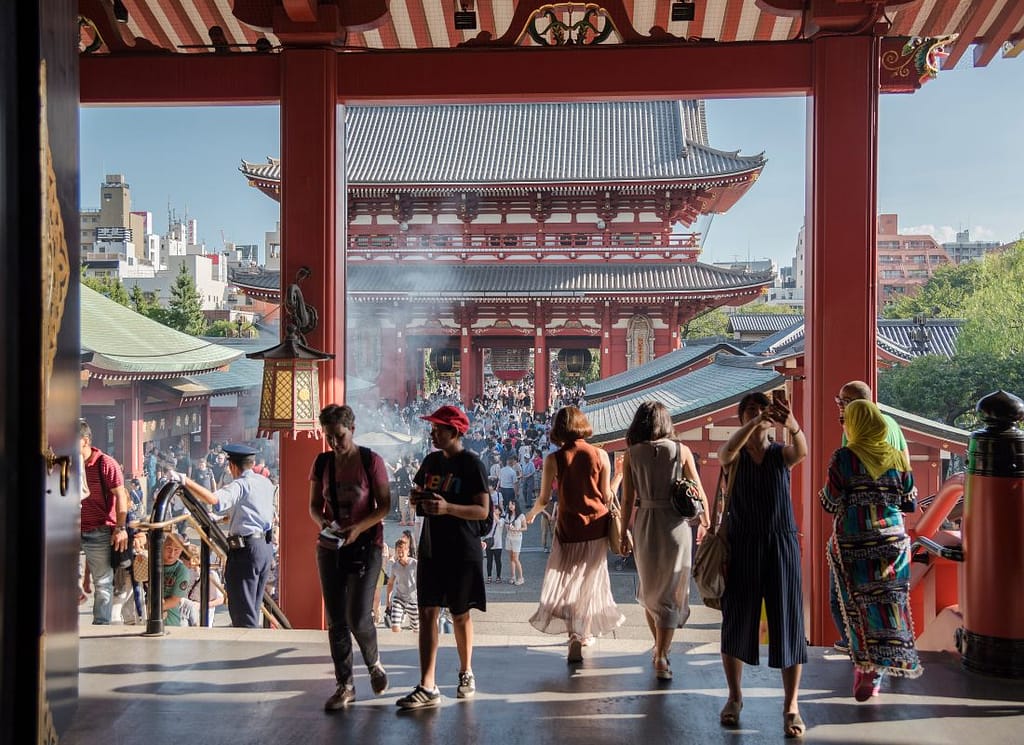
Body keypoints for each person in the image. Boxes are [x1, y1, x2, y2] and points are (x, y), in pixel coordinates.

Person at [716, 391, 807, 738]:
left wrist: (792, 424)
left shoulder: (779, 454)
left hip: (781, 543)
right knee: (736, 621)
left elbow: (801, 451)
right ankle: (735, 697)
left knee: (788, 623)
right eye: (750, 411)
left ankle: (791, 706)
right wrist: (755, 422)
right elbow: (726, 451)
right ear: (741, 418)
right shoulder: (735, 457)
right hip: (742, 544)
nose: (758, 415)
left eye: (762, 410)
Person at [820, 399, 922, 700]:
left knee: (858, 605)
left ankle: (864, 666)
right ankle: (883, 667)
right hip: (892, 544)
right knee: (890, 604)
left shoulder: (844, 458)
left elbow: (829, 502)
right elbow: (909, 500)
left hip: (855, 543)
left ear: (854, 424)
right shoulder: (896, 457)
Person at [396, 405, 489, 710]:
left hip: (462, 549)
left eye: (438, 429)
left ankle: (466, 671)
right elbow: (421, 492)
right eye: (432, 428)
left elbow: (483, 511)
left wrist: (449, 508)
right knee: (427, 613)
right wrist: (417, 498)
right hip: (432, 547)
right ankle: (427, 684)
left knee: (460, 613)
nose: (433, 433)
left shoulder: (472, 464)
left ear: (454, 431)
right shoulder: (431, 461)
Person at [307, 404, 391, 709]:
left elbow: (384, 505)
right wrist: (324, 523)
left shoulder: (370, 461)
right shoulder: (322, 463)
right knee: (336, 619)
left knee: (358, 615)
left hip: (367, 543)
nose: (334, 442)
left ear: (352, 430)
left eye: (339, 436)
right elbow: (314, 506)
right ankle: (345, 685)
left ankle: (374, 663)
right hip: (331, 545)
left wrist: (358, 528)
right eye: (328, 436)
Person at [619, 401, 711, 680]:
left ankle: (659, 649)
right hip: (675, 525)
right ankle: (661, 653)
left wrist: (623, 533)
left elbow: (627, 499)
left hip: (645, 523)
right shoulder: (681, 451)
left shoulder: (632, 454)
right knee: (670, 592)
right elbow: (698, 491)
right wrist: (706, 522)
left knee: (650, 590)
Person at [525, 406, 624, 663]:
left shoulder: (554, 459)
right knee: (590, 580)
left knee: (568, 580)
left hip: (569, 527)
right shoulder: (600, 455)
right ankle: (585, 633)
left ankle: (573, 636)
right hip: (596, 527)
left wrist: (532, 514)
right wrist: (619, 477)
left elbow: (544, 499)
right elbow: (606, 496)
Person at [831, 379, 912, 655]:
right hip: (892, 532)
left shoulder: (852, 438)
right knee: (889, 598)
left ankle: (859, 648)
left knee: (846, 597)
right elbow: (907, 480)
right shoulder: (893, 425)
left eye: (842, 402)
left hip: (859, 533)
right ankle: (891, 651)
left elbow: (836, 495)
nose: (840, 407)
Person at [168, 443, 276, 628]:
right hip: (264, 548)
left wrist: (185, 481)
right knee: (253, 606)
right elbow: (253, 511)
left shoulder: (240, 484)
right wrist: (221, 519)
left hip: (246, 550)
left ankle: (247, 643)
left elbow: (215, 499)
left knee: (242, 609)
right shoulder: (265, 482)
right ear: (252, 463)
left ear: (232, 466)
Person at [79, 420, 131, 625]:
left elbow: (121, 495)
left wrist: (120, 527)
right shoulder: (67, 463)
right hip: (70, 527)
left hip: (99, 529)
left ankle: (101, 624)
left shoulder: (105, 463)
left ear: (85, 441)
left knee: (102, 582)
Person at [160, 532, 192, 627]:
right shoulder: (153, 564)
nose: (172, 553)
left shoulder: (182, 570)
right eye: (169, 548)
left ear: (181, 551)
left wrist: (154, 609)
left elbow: (174, 600)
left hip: (169, 621)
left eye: (176, 550)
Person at [387, 537, 418, 633]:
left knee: (417, 630)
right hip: (399, 599)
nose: (400, 554)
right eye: (398, 552)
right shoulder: (395, 566)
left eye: (402, 552)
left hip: (413, 601)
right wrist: (388, 601)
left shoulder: (415, 564)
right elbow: (390, 583)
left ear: (407, 551)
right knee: (395, 626)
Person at [505, 500, 526, 585]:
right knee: (511, 558)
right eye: (509, 504)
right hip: (509, 537)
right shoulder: (508, 515)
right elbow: (506, 526)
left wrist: (517, 529)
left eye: (512, 504)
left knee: (516, 558)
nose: (510, 506)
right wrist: (508, 527)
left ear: (516, 505)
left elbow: (525, 527)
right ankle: (513, 576)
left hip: (517, 538)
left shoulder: (521, 516)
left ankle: (521, 578)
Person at [483, 504, 506, 583]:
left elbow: (499, 523)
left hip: (498, 544)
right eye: (494, 509)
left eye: (496, 509)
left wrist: (493, 514)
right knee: (489, 561)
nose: (494, 510)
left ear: (500, 512)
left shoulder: (502, 520)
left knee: (498, 561)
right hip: (489, 543)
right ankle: (489, 577)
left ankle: (498, 577)